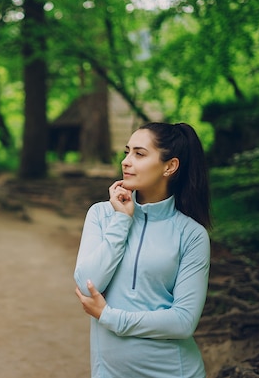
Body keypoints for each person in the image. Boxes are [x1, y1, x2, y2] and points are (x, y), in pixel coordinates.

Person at [74, 122, 212, 378]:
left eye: (139, 154)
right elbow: (87, 285)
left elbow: (183, 322)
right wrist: (122, 221)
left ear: (169, 166)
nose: (126, 161)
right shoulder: (102, 215)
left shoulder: (192, 235)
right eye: (126, 152)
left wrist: (109, 316)